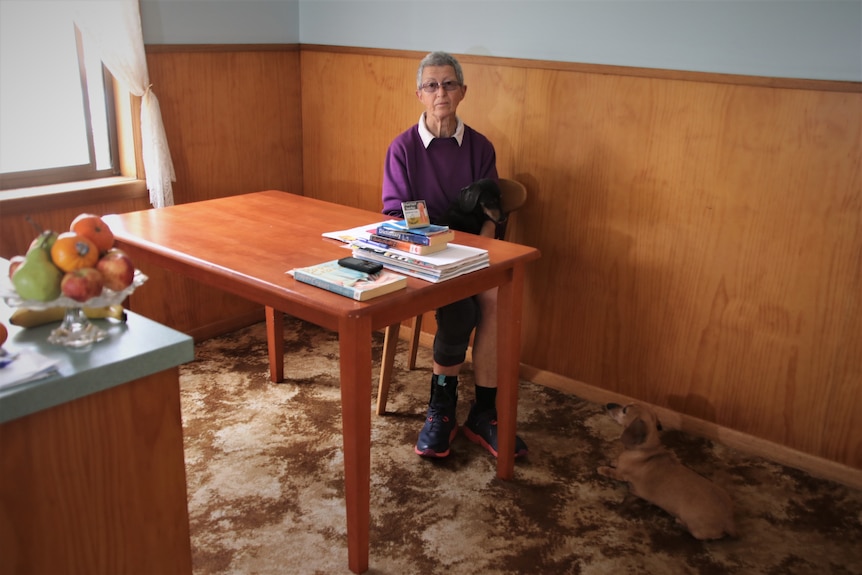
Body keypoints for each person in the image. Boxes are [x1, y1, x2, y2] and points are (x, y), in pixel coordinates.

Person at [382, 51, 528, 460]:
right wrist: (438, 247)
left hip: (472, 252)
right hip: (422, 251)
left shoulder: (480, 146)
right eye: (431, 85)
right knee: (460, 310)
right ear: (419, 94)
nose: (440, 92)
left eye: (448, 84)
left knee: (494, 298)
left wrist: (477, 258)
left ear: (462, 92)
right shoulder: (403, 148)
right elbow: (396, 214)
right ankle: (441, 408)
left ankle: (484, 413)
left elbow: (490, 215)